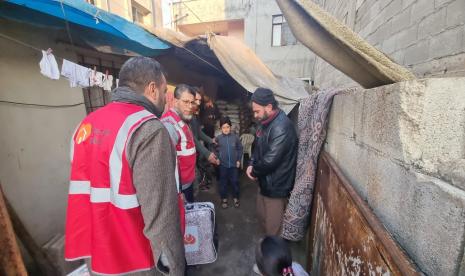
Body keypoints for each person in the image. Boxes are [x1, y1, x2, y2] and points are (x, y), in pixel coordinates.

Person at [65, 57, 185, 275]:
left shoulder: (87, 124)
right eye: (163, 89)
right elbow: (160, 216)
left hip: (96, 257)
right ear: (152, 89)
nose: (165, 100)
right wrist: (175, 268)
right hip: (134, 260)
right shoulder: (148, 129)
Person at [246, 88, 298, 236]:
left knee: (273, 229)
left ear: (269, 107)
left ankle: (274, 257)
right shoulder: (265, 122)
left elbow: (270, 161)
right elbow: (257, 146)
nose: (255, 116)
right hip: (265, 182)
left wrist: (254, 171)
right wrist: (251, 163)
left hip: (276, 187)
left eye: (257, 111)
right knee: (262, 218)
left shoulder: (282, 127)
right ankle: (268, 251)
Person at [161, 84, 197, 203]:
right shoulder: (169, 125)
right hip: (179, 188)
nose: (190, 106)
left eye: (192, 102)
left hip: (186, 182)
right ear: (175, 101)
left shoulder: (183, 119)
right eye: (186, 102)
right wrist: (176, 192)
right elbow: (164, 164)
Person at [190, 87, 219, 192]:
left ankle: (201, 183)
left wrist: (211, 140)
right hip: (189, 154)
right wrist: (207, 153)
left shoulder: (194, 116)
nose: (198, 103)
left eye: (199, 100)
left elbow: (198, 132)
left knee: (200, 168)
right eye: (195, 100)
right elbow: (192, 137)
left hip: (195, 151)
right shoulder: (187, 117)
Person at [215, 116, 243, 209]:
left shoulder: (235, 138)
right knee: (223, 182)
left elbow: (240, 148)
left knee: (235, 181)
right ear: (220, 128)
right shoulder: (218, 138)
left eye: (227, 127)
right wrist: (217, 158)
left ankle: (236, 197)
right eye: (223, 127)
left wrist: (238, 159)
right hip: (223, 165)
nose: (226, 129)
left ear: (230, 127)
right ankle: (224, 198)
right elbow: (214, 149)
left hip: (234, 165)